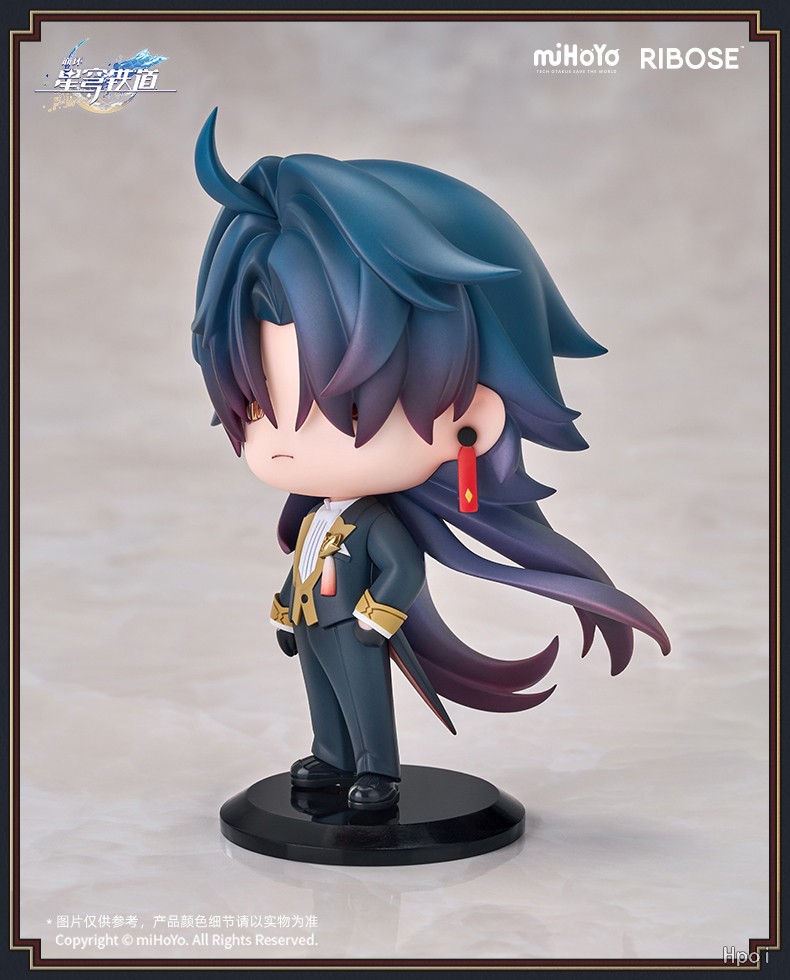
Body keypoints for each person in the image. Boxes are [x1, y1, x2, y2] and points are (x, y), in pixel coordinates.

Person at [192, 109, 670, 810]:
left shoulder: (375, 524)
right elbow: (301, 568)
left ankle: (375, 770)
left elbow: (401, 570)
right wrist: (282, 612)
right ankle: (332, 756)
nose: (285, 440)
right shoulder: (321, 516)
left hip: (357, 626)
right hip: (314, 623)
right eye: (258, 408)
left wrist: (378, 617)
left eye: (347, 411)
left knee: (363, 692)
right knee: (322, 694)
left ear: (471, 419)